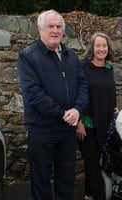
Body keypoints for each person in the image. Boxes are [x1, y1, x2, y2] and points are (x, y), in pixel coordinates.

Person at [17, 10, 89, 200]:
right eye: (51, 26)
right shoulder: (28, 57)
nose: (55, 30)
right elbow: (33, 94)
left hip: (67, 130)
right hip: (42, 130)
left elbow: (83, 86)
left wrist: (77, 110)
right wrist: (62, 113)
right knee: (40, 181)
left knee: (66, 180)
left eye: (59, 27)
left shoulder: (71, 56)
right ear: (40, 29)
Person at [76, 32, 119, 200]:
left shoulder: (109, 68)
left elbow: (109, 92)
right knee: (92, 161)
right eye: (98, 46)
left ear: (108, 49)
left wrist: (113, 107)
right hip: (86, 123)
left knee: (95, 160)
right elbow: (75, 94)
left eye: (104, 46)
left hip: (104, 122)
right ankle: (100, 196)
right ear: (92, 48)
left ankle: (89, 194)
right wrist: (78, 121)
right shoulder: (83, 67)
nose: (101, 49)